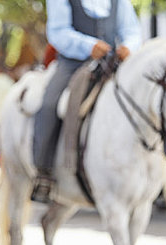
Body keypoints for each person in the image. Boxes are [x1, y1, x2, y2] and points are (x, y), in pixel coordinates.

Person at [31, 0, 142, 203]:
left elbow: (131, 29)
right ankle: (43, 171)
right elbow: (58, 32)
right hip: (73, 63)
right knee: (50, 104)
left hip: (111, 62)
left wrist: (128, 46)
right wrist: (88, 46)